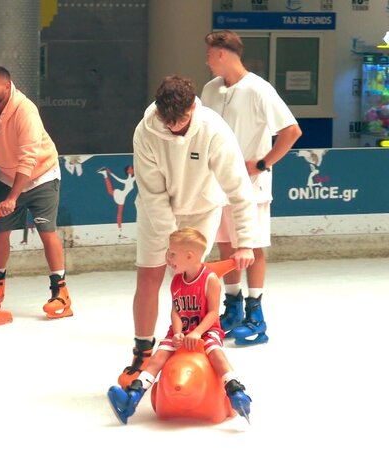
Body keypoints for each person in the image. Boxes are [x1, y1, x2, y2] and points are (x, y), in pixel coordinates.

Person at [117, 75, 257, 389]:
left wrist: (245, 242)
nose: (173, 128)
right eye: (167, 122)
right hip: (157, 215)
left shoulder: (214, 129)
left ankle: (197, 346)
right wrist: (171, 243)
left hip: (201, 212)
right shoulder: (146, 131)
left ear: (193, 107)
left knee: (192, 285)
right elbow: (153, 194)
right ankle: (142, 352)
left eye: (179, 121)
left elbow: (238, 188)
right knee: (148, 277)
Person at [201, 30, 302, 345]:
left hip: (252, 185)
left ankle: (256, 314)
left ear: (221, 53)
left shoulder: (259, 89)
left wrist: (262, 163)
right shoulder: (210, 90)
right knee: (227, 246)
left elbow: (291, 131)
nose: (206, 61)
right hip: (217, 185)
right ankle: (233, 307)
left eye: (208, 54)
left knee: (252, 246)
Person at [0, 66, 72, 319]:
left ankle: (60, 292)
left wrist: (12, 198)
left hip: (42, 173)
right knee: (0, 233)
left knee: (47, 231)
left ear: (7, 87)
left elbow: (28, 159)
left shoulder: (26, 111)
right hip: (8, 176)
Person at [108, 228, 252, 424]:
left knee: (216, 353)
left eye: (173, 253)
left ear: (190, 256)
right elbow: (176, 310)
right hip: (181, 331)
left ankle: (236, 391)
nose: (169, 257)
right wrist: (177, 333)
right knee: (157, 358)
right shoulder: (177, 279)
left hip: (207, 330)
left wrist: (197, 333)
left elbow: (212, 313)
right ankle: (132, 398)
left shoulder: (209, 279)